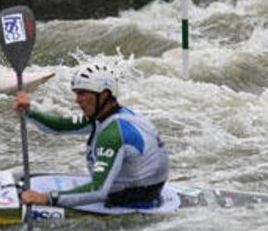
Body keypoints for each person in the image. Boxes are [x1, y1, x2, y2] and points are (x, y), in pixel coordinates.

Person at [13, 63, 169, 208]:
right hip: (145, 189)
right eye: (76, 93)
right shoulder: (108, 116)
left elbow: (98, 191)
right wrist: (28, 111)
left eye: (82, 93)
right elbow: (59, 126)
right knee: (21, 177)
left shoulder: (113, 133)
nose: (77, 100)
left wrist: (46, 198)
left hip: (131, 201)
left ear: (104, 95)